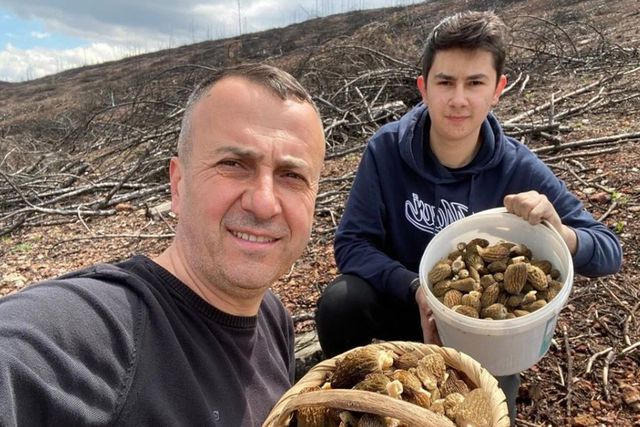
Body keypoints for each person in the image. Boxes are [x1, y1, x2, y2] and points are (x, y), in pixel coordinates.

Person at [315, 10, 622, 425]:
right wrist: (416, 288)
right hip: (405, 301)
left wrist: (562, 232)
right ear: (424, 88)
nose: (458, 99)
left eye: (475, 83)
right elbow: (352, 244)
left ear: (497, 89)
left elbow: (609, 250)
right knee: (341, 302)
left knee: (488, 413)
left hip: (481, 326)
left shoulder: (517, 168)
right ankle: (351, 406)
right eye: (445, 82)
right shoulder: (386, 151)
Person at [0, 64, 326, 426]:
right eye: (234, 164)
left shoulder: (271, 317)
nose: (264, 203)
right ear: (178, 185)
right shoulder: (101, 330)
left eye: (292, 175)